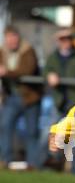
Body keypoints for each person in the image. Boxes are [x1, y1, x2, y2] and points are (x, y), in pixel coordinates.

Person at [0, 25, 40, 169]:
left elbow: (27, 70)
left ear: (18, 37)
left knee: (32, 131)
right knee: (5, 126)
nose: (11, 41)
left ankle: (33, 163)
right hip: (11, 96)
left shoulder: (28, 50)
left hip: (30, 96)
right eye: (8, 38)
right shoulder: (2, 51)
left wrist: (6, 72)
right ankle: (5, 160)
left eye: (13, 38)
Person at [43, 28, 75, 115]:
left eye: (67, 38)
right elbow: (45, 70)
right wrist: (49, 74)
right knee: (56, 127)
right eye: (62, 39)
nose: (65, 41)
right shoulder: (52, 57)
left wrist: (72, 32)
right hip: (59, 101)